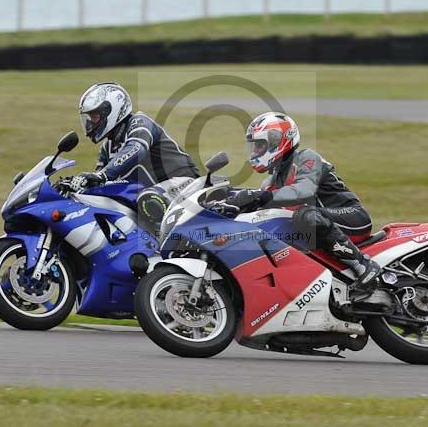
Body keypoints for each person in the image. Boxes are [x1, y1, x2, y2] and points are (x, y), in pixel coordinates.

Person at [222, 112, 381, 299]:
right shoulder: (271, 181)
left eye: (260, 145)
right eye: (254, 146)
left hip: (351, 217)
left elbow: (304, 190)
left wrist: (260, 196)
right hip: (320, 226)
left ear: (277, 140)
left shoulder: (307, 158)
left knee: (306, 215)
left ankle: (363, 265)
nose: (256, 151)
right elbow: (261, 202)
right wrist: (230, 199)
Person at [70, 82, 200, 224]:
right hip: (150, 195)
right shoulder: (107, 147)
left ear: (111, 110)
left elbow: (136, 148)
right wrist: (80, 185)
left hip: (186, 183)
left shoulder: (139, 122)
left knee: (149, 200)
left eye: (94, 117)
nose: (90, 123)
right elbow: (100, 182)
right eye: (89, 118)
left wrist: (102, 175)